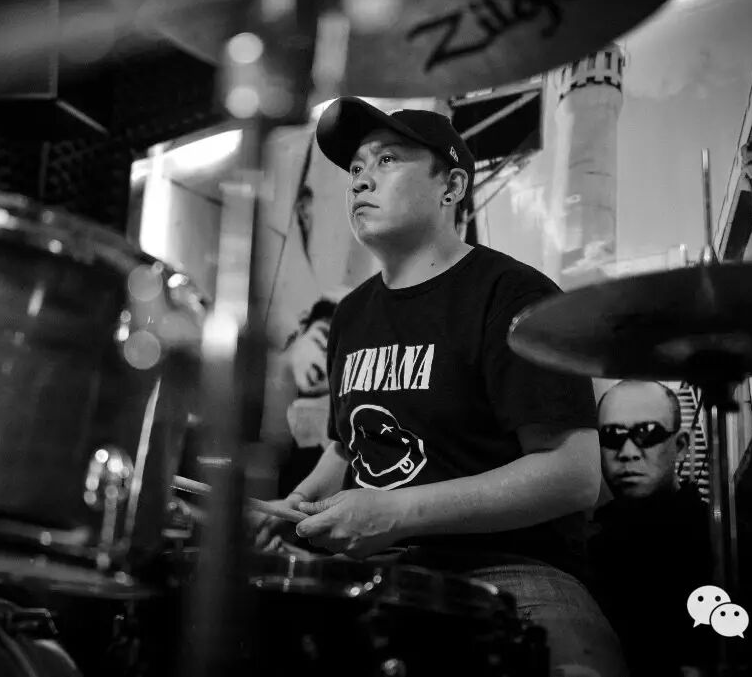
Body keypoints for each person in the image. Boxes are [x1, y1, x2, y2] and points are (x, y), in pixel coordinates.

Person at [253, 96, 626, 677]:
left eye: (387, 160)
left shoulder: (514, 295)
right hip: (379, 573)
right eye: (355, 168)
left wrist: (396, 513)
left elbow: (573, 476)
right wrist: (295, 506)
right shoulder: (351, 315)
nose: (360, 181)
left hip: (509, 569)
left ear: (451, 187)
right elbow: (345, 449)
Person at [588, 380, 714, 677]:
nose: (628, 452)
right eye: (612, 436)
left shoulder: (717, 540)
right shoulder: (590, 543)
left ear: (681, 446)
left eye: (647, 434)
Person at [276, 297, 336, 496]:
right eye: (321, 342)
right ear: (302, 328)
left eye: (336, 362)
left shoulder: (318, 449)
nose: (322, 364)